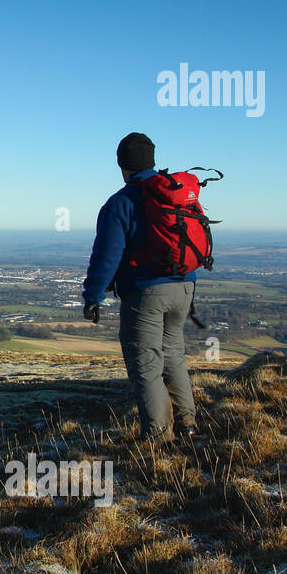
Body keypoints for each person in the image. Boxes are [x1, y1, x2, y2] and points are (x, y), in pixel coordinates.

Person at [82, 133, 197, 442]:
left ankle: (158, 438)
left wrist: (93, 296)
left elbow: (106, 256)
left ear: (122, 164)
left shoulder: (120, 203)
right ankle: (187, 424)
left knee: (145, 363)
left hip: (146, 294)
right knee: (173, 354)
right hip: (185, 287)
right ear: (152, 160)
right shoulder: (172, 193)